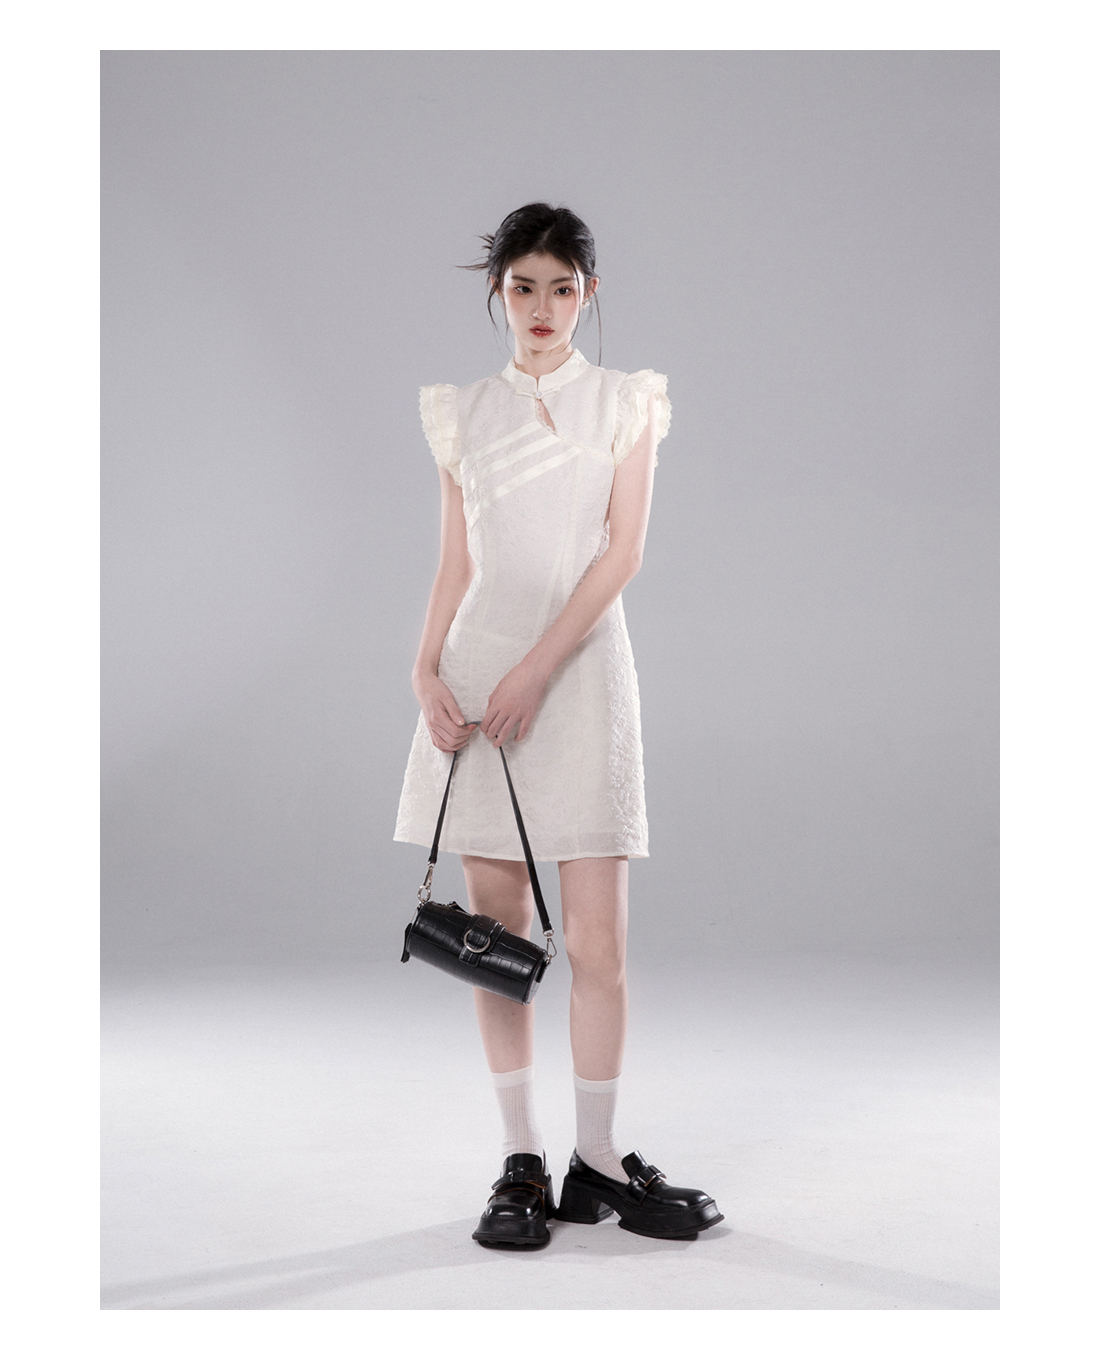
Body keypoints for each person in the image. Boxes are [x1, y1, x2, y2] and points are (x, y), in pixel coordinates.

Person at [394, 203, 722, 1247]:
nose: (541, 308)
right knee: (496, 943)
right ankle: (520, 1160)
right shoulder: (463, 414)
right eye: (523, 287)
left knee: (598, 944)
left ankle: (599, 1158)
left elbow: (622, 553)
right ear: (498, 293)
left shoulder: (625, 402)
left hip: (575, 677)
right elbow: (456, 561)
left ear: (589, 293)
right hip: (477, 680)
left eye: (562, 288)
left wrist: (536, 670)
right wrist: (423, 670)